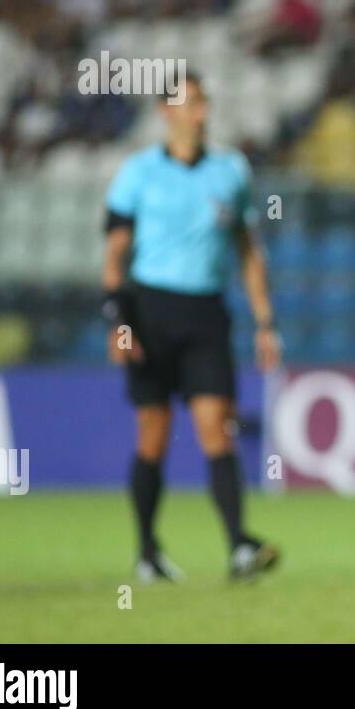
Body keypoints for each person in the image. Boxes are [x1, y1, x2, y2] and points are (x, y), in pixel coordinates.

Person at [102, 75, 281, 583]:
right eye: (190, 102)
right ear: (165, 110)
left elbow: (249, 252)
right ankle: (147, 551)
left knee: (216, 430)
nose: (200, 112)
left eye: (203, 101)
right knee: (153, 438)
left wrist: (265, 322)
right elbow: (115, 255)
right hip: (149, 312)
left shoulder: (230, 171)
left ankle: (240, 547)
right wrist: (117, 322)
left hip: (206, 315)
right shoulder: (138, 172)